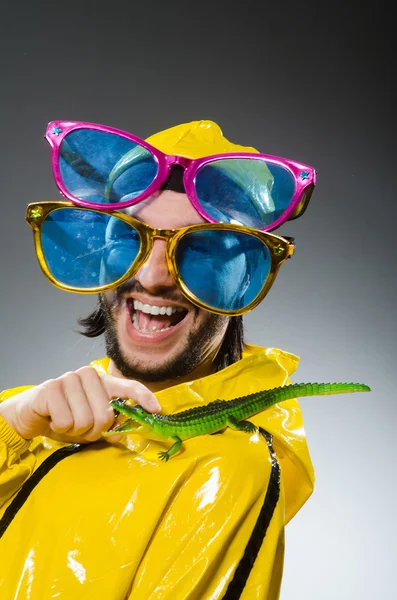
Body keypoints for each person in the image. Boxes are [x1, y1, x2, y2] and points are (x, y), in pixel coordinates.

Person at [0, 120, 315, 599]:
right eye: (133, 236)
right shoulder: (40, 414)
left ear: (244, 279)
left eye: (199, 248)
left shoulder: (226, 467)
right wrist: (13, 426)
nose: (152, 276)